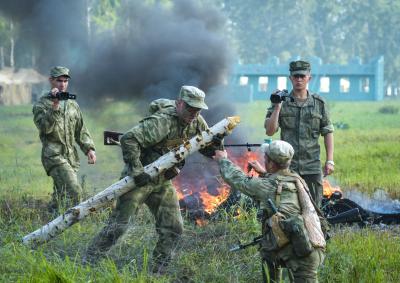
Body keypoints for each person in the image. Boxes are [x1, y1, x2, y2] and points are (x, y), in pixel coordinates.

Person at [85, 85, 222, 272]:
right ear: (179, 103)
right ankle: (88, 261)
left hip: (162, 182)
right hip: (138, 180)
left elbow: (205, 148)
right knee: (118, 226)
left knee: (174, 228)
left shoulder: (197, 121)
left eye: (198, 109)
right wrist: (136, 171)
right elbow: (129, 139)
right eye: (190, 108)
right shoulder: (162, 122)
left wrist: (217, 140)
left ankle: (157, 271)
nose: (194, 113)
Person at [214, 141, 326, 283]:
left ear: (272, 163)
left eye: (266, 158)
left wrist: (223, 160)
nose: (264, 160)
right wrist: (265, 173)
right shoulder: (296, 179)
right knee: (267, 252)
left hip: (303, 255)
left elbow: (239, 180)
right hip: (310, 244)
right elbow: (277, 183)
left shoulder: (267, 186)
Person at [265, 60, 334, 207]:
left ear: (309, 77)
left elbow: (327, 132)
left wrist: (330, 160)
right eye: (295, 76)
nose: (299, 79)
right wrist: (277, 107)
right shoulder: (280, 101)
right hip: (287, 167)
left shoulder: (319, 103)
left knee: (315, 208)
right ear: (290, 78)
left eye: (302, 76)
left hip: (312, 166)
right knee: (288, 207)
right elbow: (270, 131)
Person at [32, 66, 96, 212]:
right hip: (54, 156)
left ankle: (50, 224)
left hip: (70, 157)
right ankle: (73, 225)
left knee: (60, 197)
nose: (62, 84)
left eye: (65, 81)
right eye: (58, 80)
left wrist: (89, 149)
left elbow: (81, 129)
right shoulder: (41, 104)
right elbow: (45, 128)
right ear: (51, 81)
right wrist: (54, 106)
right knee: (75, 192)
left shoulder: (72, 104)